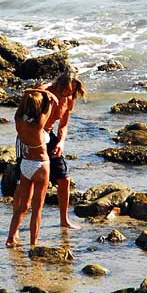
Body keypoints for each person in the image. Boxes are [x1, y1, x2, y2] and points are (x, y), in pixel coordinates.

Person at [6, 89, 57, 247]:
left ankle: (10, 238)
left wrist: (35, 91)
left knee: (22, 206)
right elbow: (52, 102)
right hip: (41, 165)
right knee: (37, 208)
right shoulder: (39, 123)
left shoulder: (18, 119)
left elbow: (26, 93)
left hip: (25, 165)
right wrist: (48, 95)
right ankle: (34, 242)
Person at [39, 70, 88, 229]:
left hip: (49, 135)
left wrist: (61, 143)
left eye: (72, 90)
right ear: (59, 84)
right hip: (32, 135)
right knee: (31, 181)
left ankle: (64, 220)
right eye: (66, 89)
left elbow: (64, 125)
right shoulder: (45, 91)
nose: (67, 93)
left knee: (64, 179)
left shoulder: (70, 99)